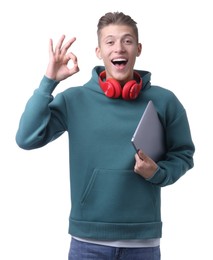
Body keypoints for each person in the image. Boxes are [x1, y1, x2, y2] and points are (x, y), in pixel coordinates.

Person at [16, 11, 195, 260]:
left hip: (143, 242)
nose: (118, 48)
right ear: (99, 51)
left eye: (127, 41)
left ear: (139, 49)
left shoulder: (164, 101)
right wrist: (49, 82)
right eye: (110, 42)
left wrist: (158, 173)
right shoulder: (74, 100)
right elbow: (26, 138)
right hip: (87, 243)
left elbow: (184, 155)